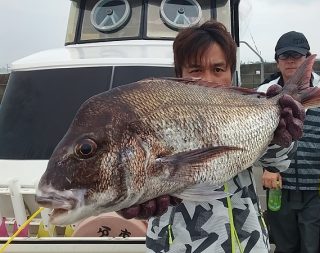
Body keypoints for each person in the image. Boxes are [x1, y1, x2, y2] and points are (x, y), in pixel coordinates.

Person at [118, 21, 305, 253]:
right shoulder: (156, 119)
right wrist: (135, 196)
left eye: (218, 69)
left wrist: (282, 135)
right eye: (196, 70)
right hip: (176, 246)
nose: (207, 80)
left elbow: (277, 163)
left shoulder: (246, 110)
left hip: (245, 243)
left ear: (230, 73)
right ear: (179, 75)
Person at [257, 31, 320, 253]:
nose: (290, 61)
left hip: (316, 187)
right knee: (284, 246)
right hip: (279, 186)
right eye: (285, 56)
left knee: (312, 246)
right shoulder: (264, 94)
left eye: (297, 56)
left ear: (307, 60)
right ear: (277, 62)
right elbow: (255, 137)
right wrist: (268, 167)